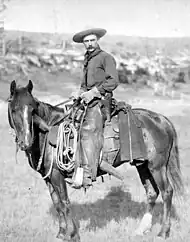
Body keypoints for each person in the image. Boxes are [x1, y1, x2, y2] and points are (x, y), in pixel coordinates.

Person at [65, 28, 120, 189]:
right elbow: (84, 85)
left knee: (88, 131)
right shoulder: (88, 60)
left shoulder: (106, 58)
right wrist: (79, 93)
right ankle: (73, 166)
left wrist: (94, 92)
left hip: (102, 101)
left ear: (97, 41)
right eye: (86, 41)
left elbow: (113, 81)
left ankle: (87, 175)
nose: (89, 44)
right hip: (89, 100)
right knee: (69, 122)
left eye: (92, 40)